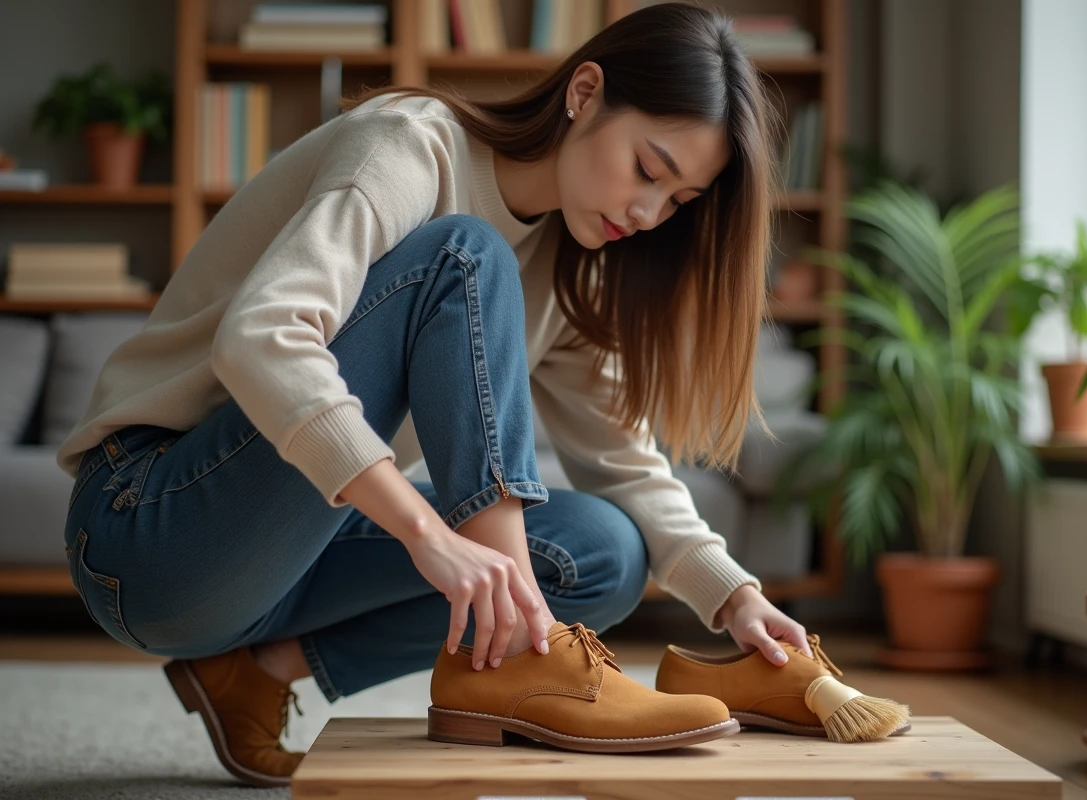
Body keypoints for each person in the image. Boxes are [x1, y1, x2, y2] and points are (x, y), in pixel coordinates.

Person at [57, 1, 816, 787]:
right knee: (463, 252)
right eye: (649, 170)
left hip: (281, 560)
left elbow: (625, 463)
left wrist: (736, 602)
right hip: (147, 528)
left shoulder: (570, 262)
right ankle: (524, 658)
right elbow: (262, 336)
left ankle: (258, 669)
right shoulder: (411, 145)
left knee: (605, 555)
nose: (647, 212)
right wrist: (426, 532)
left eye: (677, 203)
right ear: (584, 92)